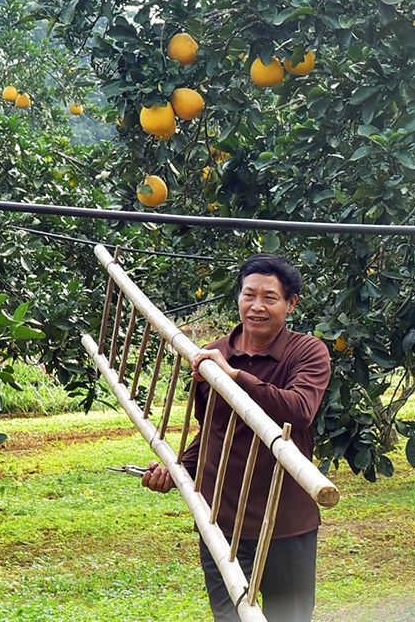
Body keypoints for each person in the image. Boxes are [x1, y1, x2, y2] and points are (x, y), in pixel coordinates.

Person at [141, 253, 331, 622]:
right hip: (221, 523)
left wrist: (234, 377)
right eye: (248, 295)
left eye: (270, 298)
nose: (256, 306)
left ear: (291, 304)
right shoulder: (214, 352)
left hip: (285, 525)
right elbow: (214, 429)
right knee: (230, 618)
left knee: (288, 618)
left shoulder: (307, 351)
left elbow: (300, 410)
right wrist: (177, 468)